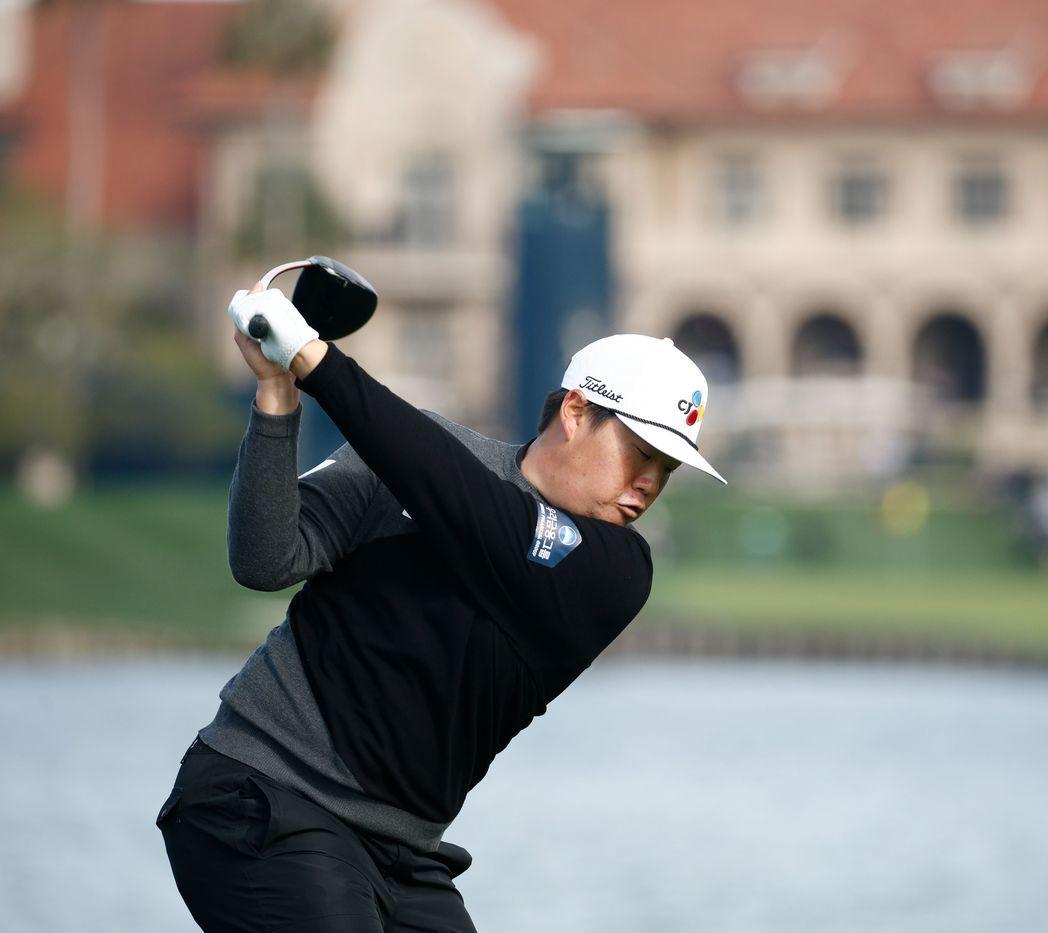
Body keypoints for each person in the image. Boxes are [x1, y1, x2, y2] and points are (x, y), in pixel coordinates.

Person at [155, 286, 727, 932]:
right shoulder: (409, 458)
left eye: (668, 468)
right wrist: (277, 396)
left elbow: (471, 507)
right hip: (260, 794)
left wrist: (319, 361)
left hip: (399, 853)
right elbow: (263, 561)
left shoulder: (617, 570)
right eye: (641, 453)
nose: (649, 483)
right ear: (574, 410)